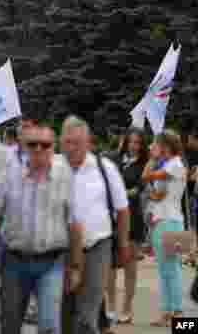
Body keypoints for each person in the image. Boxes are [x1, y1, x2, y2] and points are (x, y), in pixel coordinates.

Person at [0, 123, 83, 334]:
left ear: (53, 147)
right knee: (9, 325)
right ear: (24, 147)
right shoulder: (8, 176)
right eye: (33, 144)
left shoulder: (65, 177)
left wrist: (76, 266)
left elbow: (75, 224)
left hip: (51, 263)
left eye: (45, 144)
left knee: (49, 326)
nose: (39, 149)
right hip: (14, 262)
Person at [60, 116, 130, 334]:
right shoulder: (52, 167)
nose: (72, 147)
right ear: (61, 142)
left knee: (87, 315)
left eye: (77, 142)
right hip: (61, 250)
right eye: (68, 142)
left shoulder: (104, 168)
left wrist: (123, 244)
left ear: (89, 143)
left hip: (97, 248)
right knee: (63, 314)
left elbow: (122, 209)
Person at [141, 129, 186, 325]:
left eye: (155, 144)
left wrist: (151, 159)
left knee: (172, 269)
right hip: (167, 221)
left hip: (170, 222)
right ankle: (168, 313)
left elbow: (146, 177)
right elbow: (156, 193)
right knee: (165, 269)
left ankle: (177, 314)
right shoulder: (170, 165)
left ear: (165, 147)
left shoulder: (174, 165)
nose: (152, 147)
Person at [105, 127, 147, 324]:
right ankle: (111, 307)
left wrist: (121, 193)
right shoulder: (113, 159)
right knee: (110, 268)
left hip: (133, 219)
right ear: (125, 142)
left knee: (130, 266)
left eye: (138, 143)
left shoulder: (145, 164)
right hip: (111, 220)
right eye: (131, 142)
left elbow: (139, 189)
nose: (134, 146)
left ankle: (127, 309)